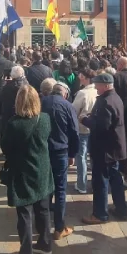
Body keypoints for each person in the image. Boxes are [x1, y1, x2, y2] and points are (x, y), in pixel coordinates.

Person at [3, 85, 54, 254]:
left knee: (24, 215)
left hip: (22, 171)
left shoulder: (14, 124)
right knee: (43, 209)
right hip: (41, 169)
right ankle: (45, 244)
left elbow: (6, 147)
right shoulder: (45, 119)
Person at [80, 73, 127, 225]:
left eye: (98, 84)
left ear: (106, 85)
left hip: (104, 149)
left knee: (100, 181)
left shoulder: (105, 102)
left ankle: (100, 214)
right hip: (114, 148)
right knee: (115, 179)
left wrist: (85, 119)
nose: (95, 87)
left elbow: (101, 127)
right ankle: (121, 209)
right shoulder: (115, 98)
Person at [40, 80, 79, 240]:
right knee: (60, 189)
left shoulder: (42, 102)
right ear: (65, 93)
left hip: (43, 150)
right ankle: (59, 228)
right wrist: (73, 154)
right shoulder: (67, 105)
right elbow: (74, 132)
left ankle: (42, 224)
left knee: (45, 187)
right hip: (60, 151)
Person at [71, 68, 97, 194]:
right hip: (95, 127)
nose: (79, 77)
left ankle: (82, 184)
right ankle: (94, 182)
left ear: (86, 78)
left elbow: (74, 111)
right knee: (92, 156)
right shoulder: (97, 91)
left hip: (82, 127)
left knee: (81, 156)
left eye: (81, 75)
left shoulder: (82, 93)